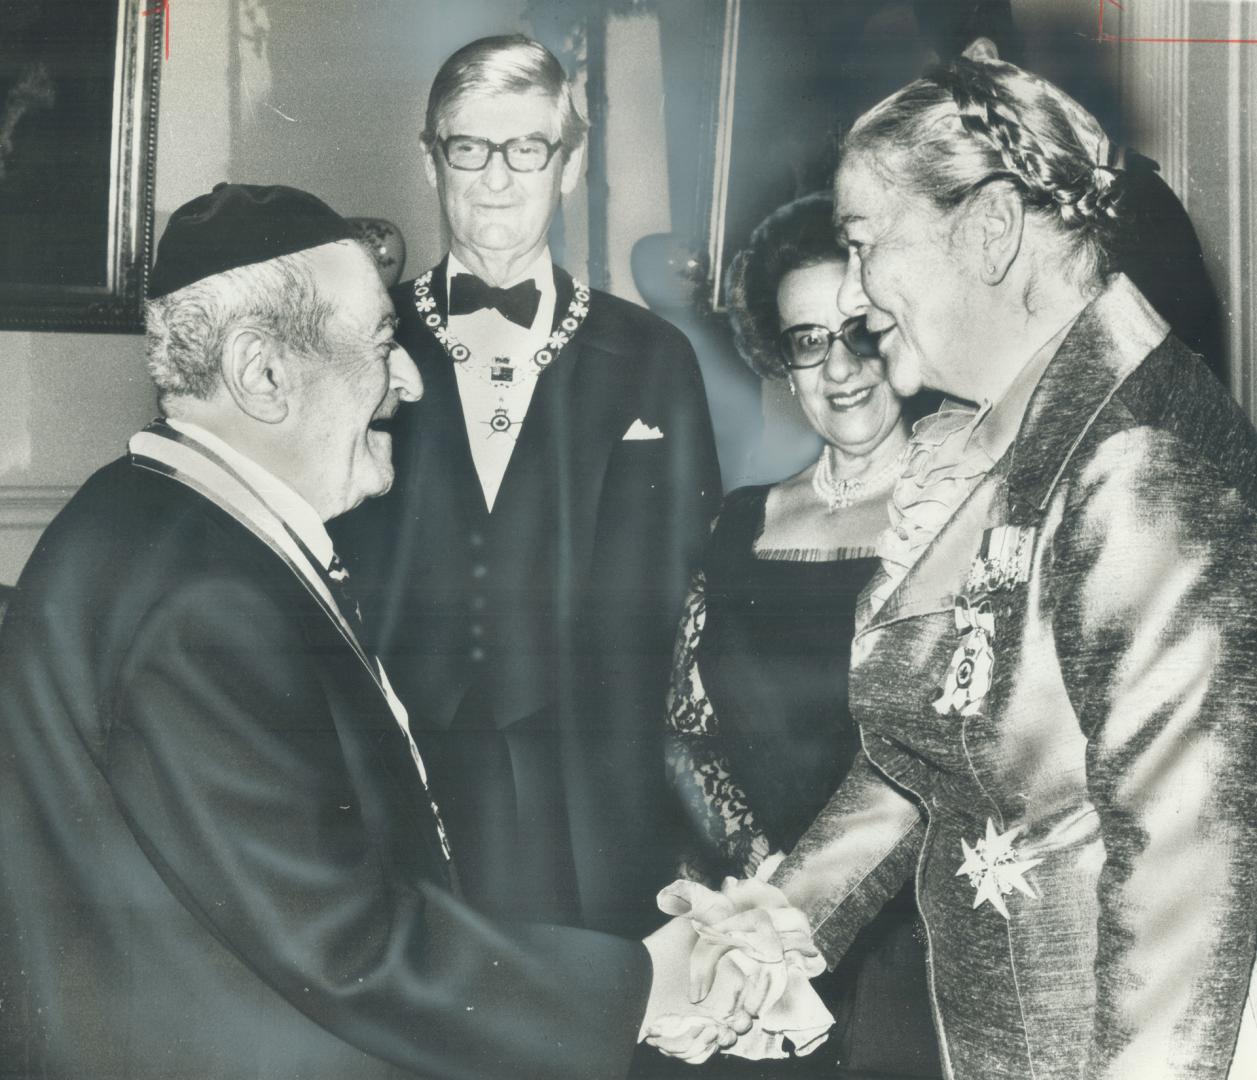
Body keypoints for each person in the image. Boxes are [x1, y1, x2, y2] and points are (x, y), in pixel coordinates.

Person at [0, 182, 712, 1080]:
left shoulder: (162, 526)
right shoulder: (202, 599)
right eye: (384, 345)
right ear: (264, 374)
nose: (410, 381)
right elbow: (339, 942)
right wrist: (642, 982)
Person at [760, 49, 1257, 1079]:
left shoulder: (1133, 460)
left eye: (863, 245)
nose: (852, 297)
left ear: (987, 231)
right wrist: (776, 923)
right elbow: (937, 738)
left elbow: (1184, 885)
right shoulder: (1029, 432)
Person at [331, 35, 721, 937]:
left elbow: (690, 578)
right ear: (429, 157)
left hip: (595, 788)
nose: (496, 178)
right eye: (468, 147)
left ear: (569, 163)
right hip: (402, 773)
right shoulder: (363, 347)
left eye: (526, 149)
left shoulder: (652, 357)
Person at [663, 192, 939, 1078]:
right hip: (763, 929)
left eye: (858, 329)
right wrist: (759, 865)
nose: (841, 367)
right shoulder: (742, 522)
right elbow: (686, 728)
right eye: (807, 340)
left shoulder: (964, 511)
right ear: (778, 361)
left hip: (923, 939)